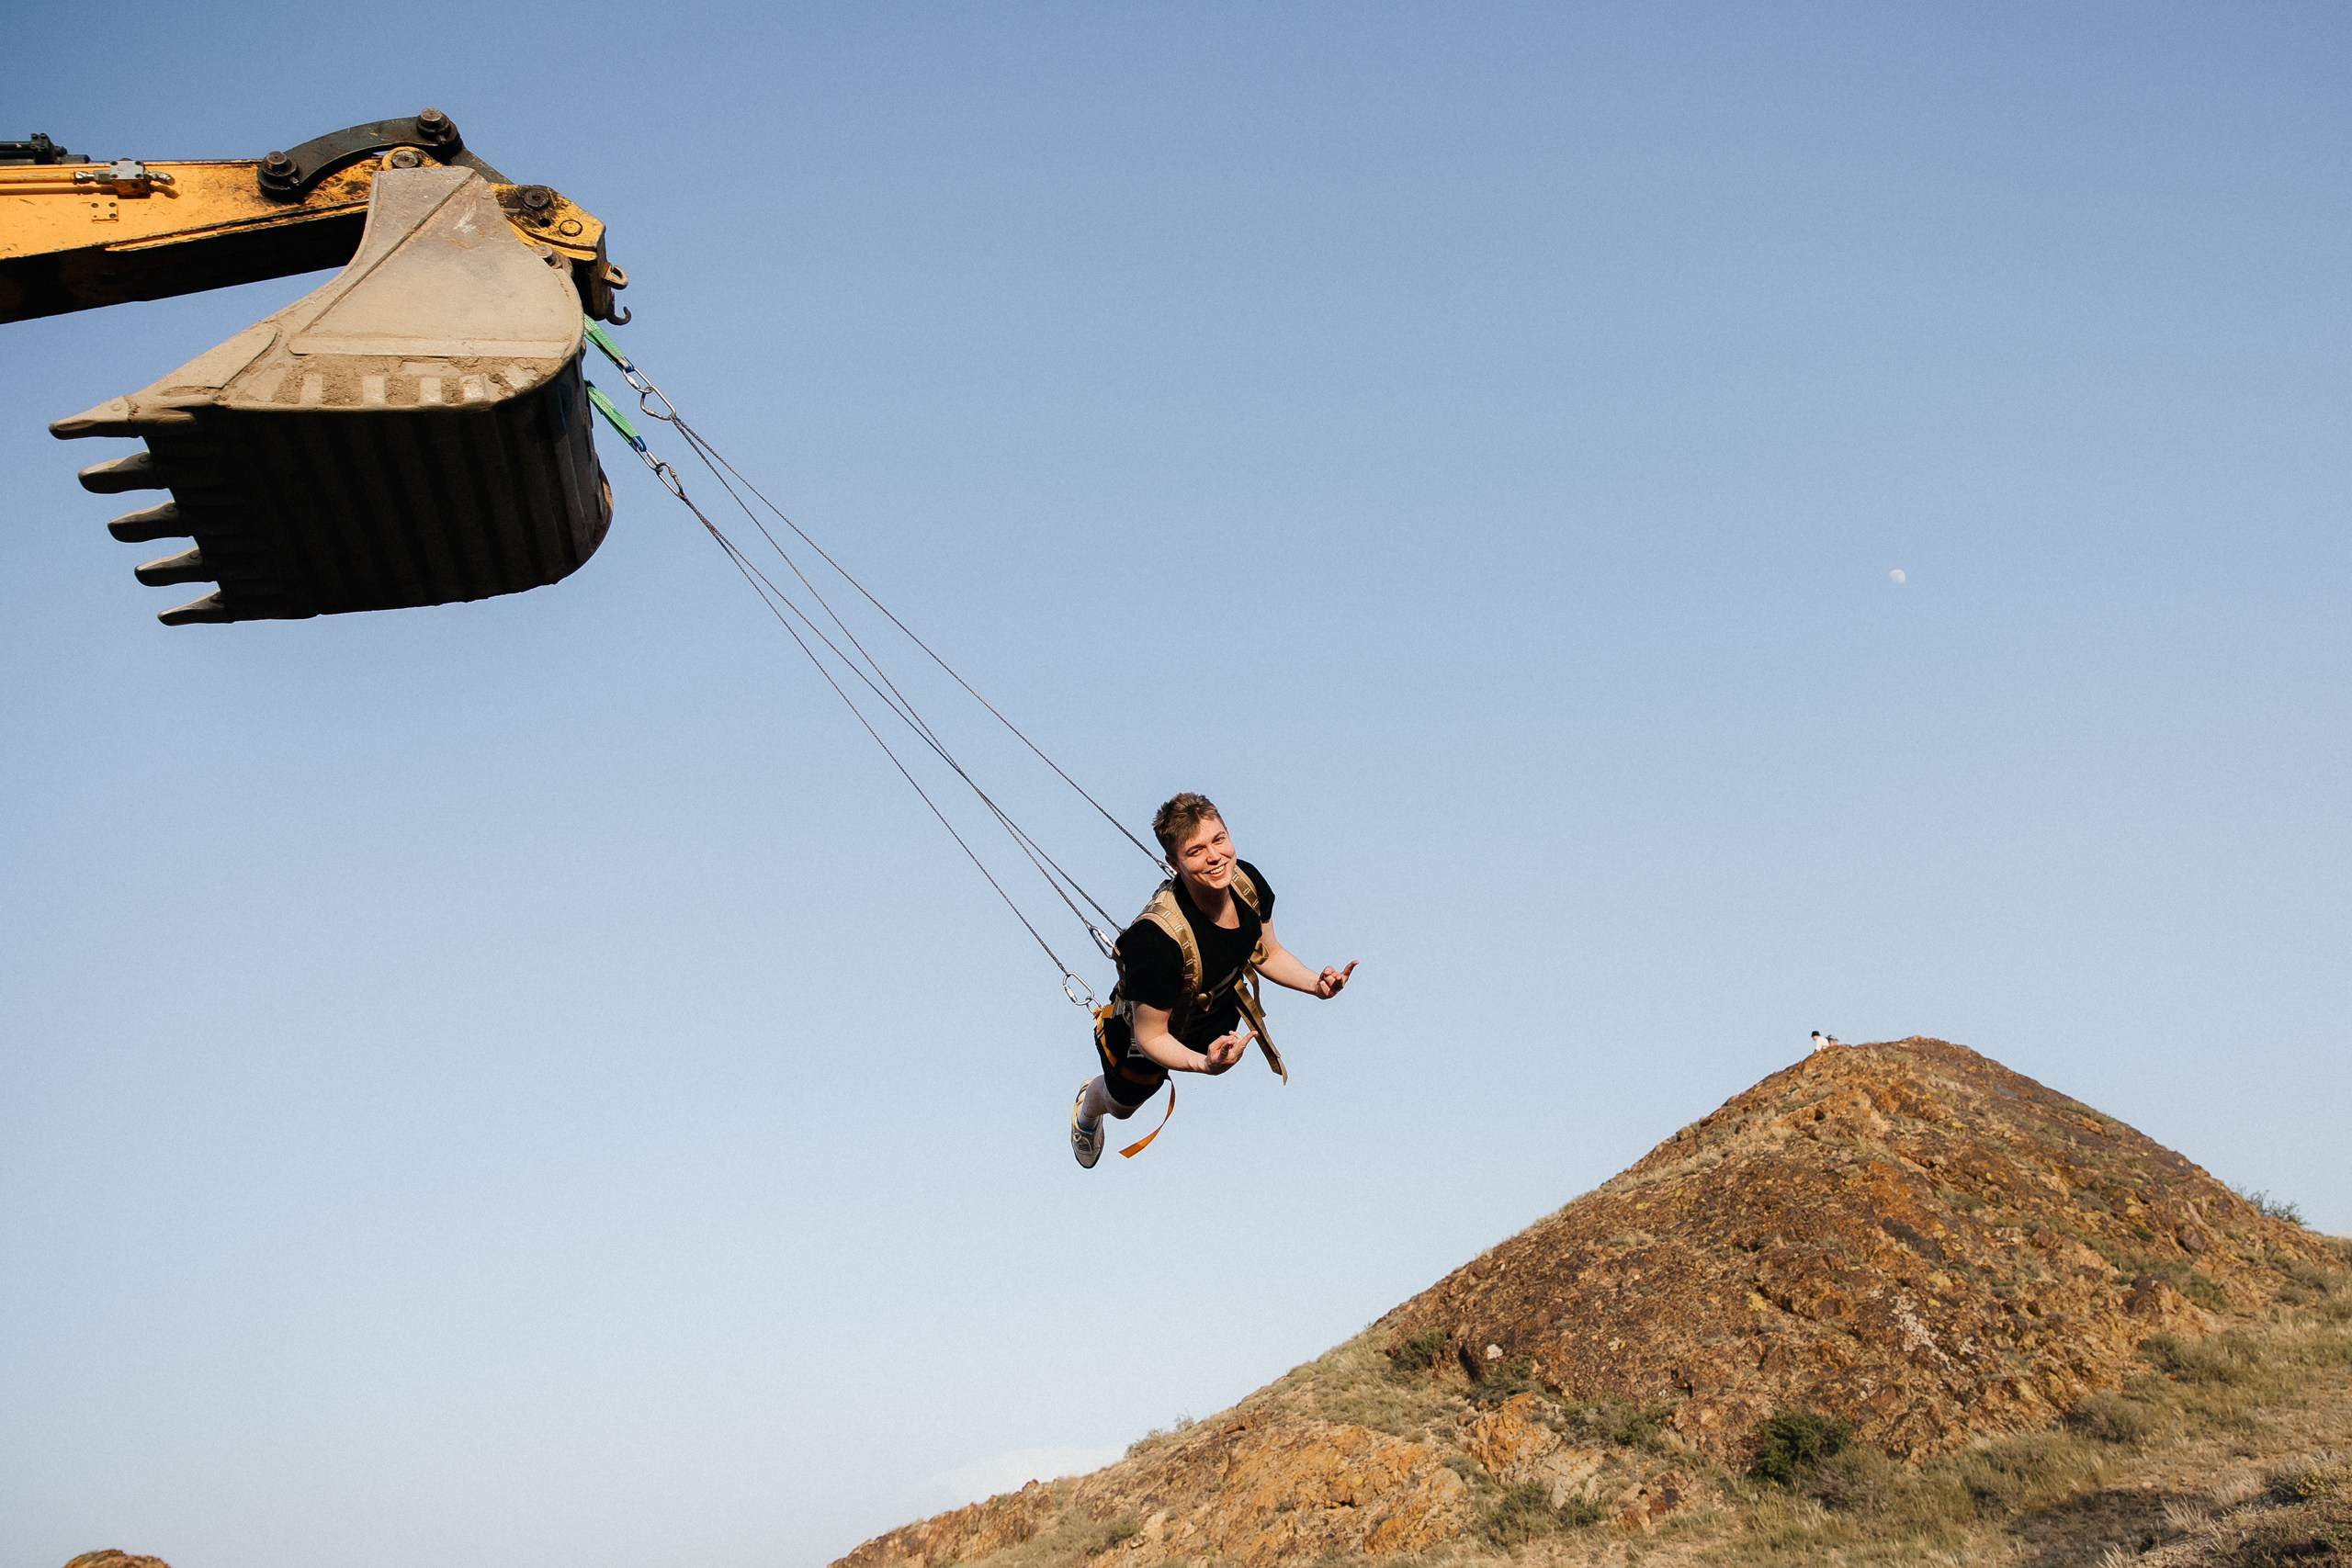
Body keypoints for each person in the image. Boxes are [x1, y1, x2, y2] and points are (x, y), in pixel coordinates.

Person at [1070, 793, 1356, 1168]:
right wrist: (1203, 1064)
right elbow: (1152, 1036)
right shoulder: (1154, 944)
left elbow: (1266, 952)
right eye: (1196, 851)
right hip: (1146, 1031)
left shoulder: (1247, 884)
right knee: (1123, 1108)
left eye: (1219, 840)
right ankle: (1087, 1108)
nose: (1215, 857)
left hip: (1212, 1012)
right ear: (1173, 863)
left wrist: (1314, 984)